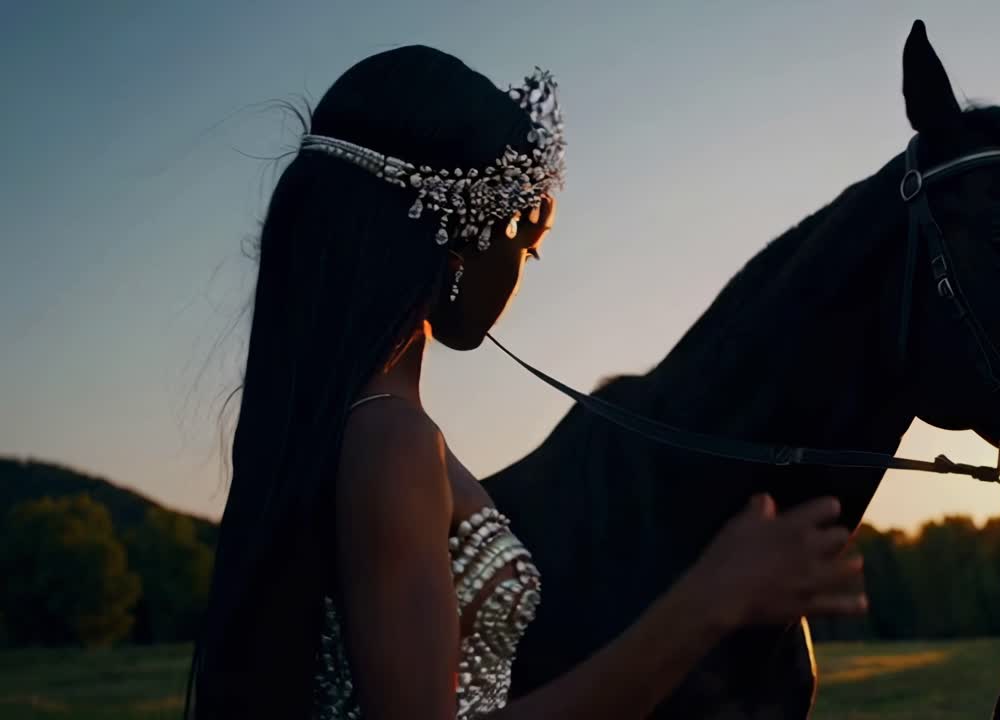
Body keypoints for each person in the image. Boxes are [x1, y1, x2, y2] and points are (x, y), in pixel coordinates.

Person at [189, 45, 864, 720]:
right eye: (527, 244)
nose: (521, 273)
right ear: (465, 237)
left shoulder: (362, 426)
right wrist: (710, 601)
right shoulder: (392, 440)